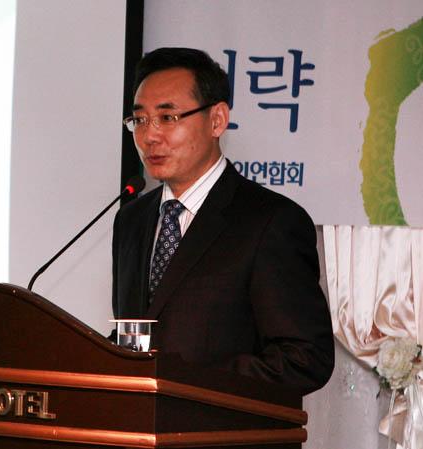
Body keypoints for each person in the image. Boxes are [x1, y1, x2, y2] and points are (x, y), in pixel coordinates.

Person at [112, 47, 334, 395]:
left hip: (221, 422)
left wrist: (191, 384)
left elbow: (305, 357)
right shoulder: (132, 220)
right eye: (140, 120)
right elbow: (136, 335)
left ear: (217, 120)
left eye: (167, 117)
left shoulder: (271, 221)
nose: (150, 136)